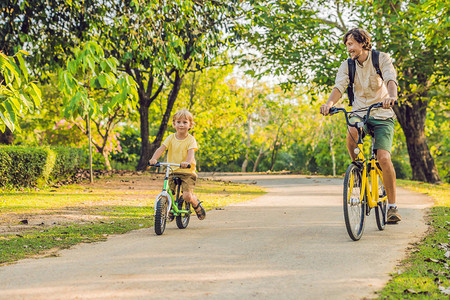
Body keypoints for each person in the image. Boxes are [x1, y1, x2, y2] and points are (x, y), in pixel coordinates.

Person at [320, 28, 401, 223]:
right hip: (359, 112)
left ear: (362, 43)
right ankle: (358, 170)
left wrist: (391, 97)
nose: (348, 49)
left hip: (381, 113)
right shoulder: (347, 65)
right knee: (351, 133)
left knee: (383, 157)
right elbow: (339, 86)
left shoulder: (381, 58)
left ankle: (392, 207)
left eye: (351, 44)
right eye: (347, 45)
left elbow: (391, 78)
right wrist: (330, 104)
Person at [149, 109, 206, 220]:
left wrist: (187, 163)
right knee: (168, 192)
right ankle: (168, 209)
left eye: (185, 122)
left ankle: (195, 203)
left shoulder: (191, 140)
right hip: (172, 170)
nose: (181, 125)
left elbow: (191, 154)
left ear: (190, 125)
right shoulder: (170, 138)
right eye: (178, 122)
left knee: (187, 196)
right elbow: (161, 149)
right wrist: (154, 159)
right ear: (174, 124)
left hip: (187, 172)